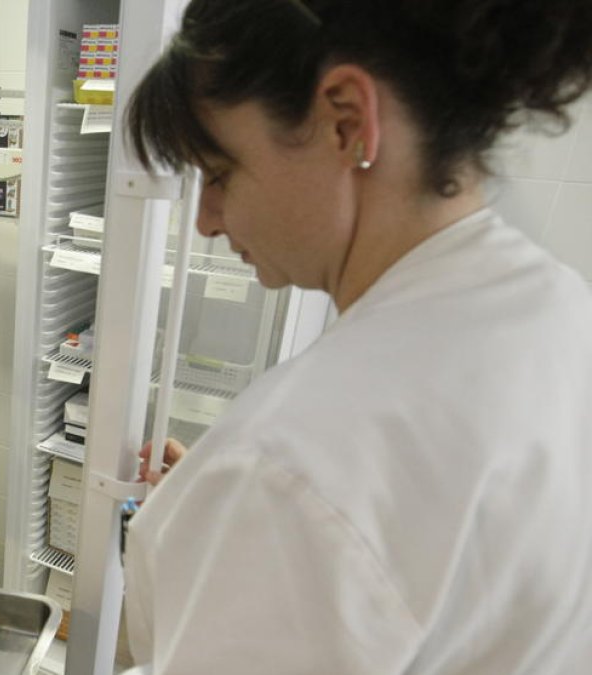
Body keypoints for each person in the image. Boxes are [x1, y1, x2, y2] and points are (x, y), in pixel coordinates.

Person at [123, 0, 592, 672]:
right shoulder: (562, 309)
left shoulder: (291, 463)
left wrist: (245, 511)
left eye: (221, 174)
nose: (206, 220)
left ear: (347, 121)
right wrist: (216, 516)